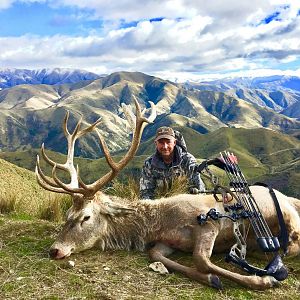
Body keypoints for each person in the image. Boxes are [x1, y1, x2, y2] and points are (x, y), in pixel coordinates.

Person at [139, 126, 206, 199]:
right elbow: (145, 192)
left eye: (168, 142)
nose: (165, 146)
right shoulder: (149, 164)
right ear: (156, 143)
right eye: (161, 143)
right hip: (160, 205)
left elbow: (200, 191)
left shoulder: (188, 161)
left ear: (174, 142)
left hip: (186, 204)